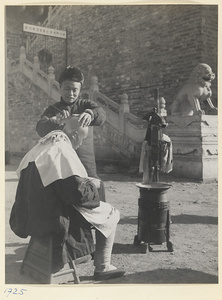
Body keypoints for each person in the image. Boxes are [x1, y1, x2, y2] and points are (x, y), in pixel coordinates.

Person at [9, 117, 125, 281]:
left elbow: (57, 182)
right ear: (75, 134)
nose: (80, 144)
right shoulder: (61, 149)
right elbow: (74, 194)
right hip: (54, 218)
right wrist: (92, 188)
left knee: (93, 195)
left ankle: (86, 254)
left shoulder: (42, 145)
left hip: (30, 215)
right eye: (82, 139)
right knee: (111, 213)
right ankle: (103, 266)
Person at [36, 65, 106, 178]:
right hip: (62, 164)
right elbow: (40, 127)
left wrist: (90, 114)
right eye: (67, 89)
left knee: (90, 189)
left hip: (85, 163)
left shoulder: (85, 105)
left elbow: (102, 114)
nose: (71, 93)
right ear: (60, 87)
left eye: (75, 90)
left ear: (80, 90)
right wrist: (56, 120)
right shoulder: (53, 109)